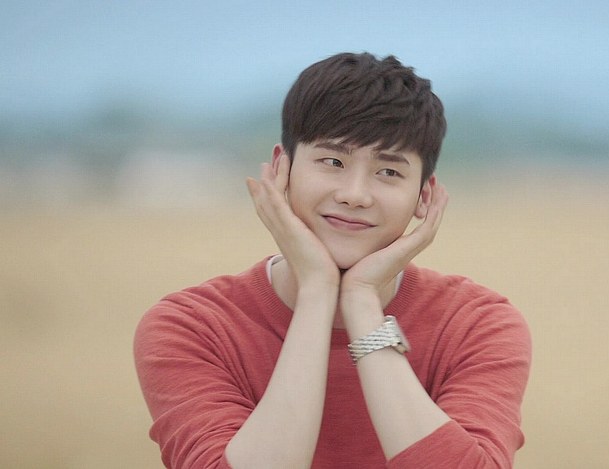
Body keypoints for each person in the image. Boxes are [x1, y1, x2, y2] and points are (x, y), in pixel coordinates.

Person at [134, 52, 532, 468]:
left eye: (389, 172)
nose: (354, 194)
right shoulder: (192, 327)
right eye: (333, 161)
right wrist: (317, 292)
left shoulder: (476, 324)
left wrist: (361, 301)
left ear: (424, 196)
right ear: (282, 168)